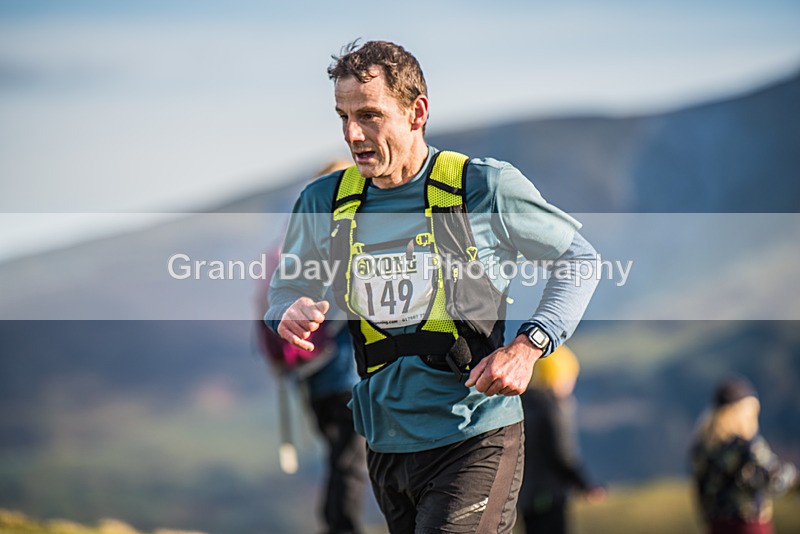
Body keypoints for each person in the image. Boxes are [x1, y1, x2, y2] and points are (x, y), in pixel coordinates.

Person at [265, 40, 599, 533]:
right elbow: (283, 287)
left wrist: (529, 347)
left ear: (417, 111)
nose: (352, 134)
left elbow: (580, 260)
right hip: (385, 442)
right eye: (342, 116)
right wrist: (286, 310)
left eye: (370, 115)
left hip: (474, 435)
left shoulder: (482, 187)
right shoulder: (324, 201)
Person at [256, 162, 368, 534]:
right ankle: (341, 528)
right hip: (344, 372)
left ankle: (338, 526)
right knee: (351, 463)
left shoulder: (289, 242)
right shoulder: (333, 240)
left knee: (344, 460)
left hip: (309, 375)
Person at [690, 375, 799, 534]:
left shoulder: (702, 449)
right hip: (748, 527)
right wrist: (796, 481)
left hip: (715, 527)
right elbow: (774, 476)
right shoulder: (746, 446)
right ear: (741, 412)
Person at [518, 344, 605, 534]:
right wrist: (585, 484)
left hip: (525, 499)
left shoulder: (523, 403)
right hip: (550, 496)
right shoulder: (553, 408)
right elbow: (563, 452)